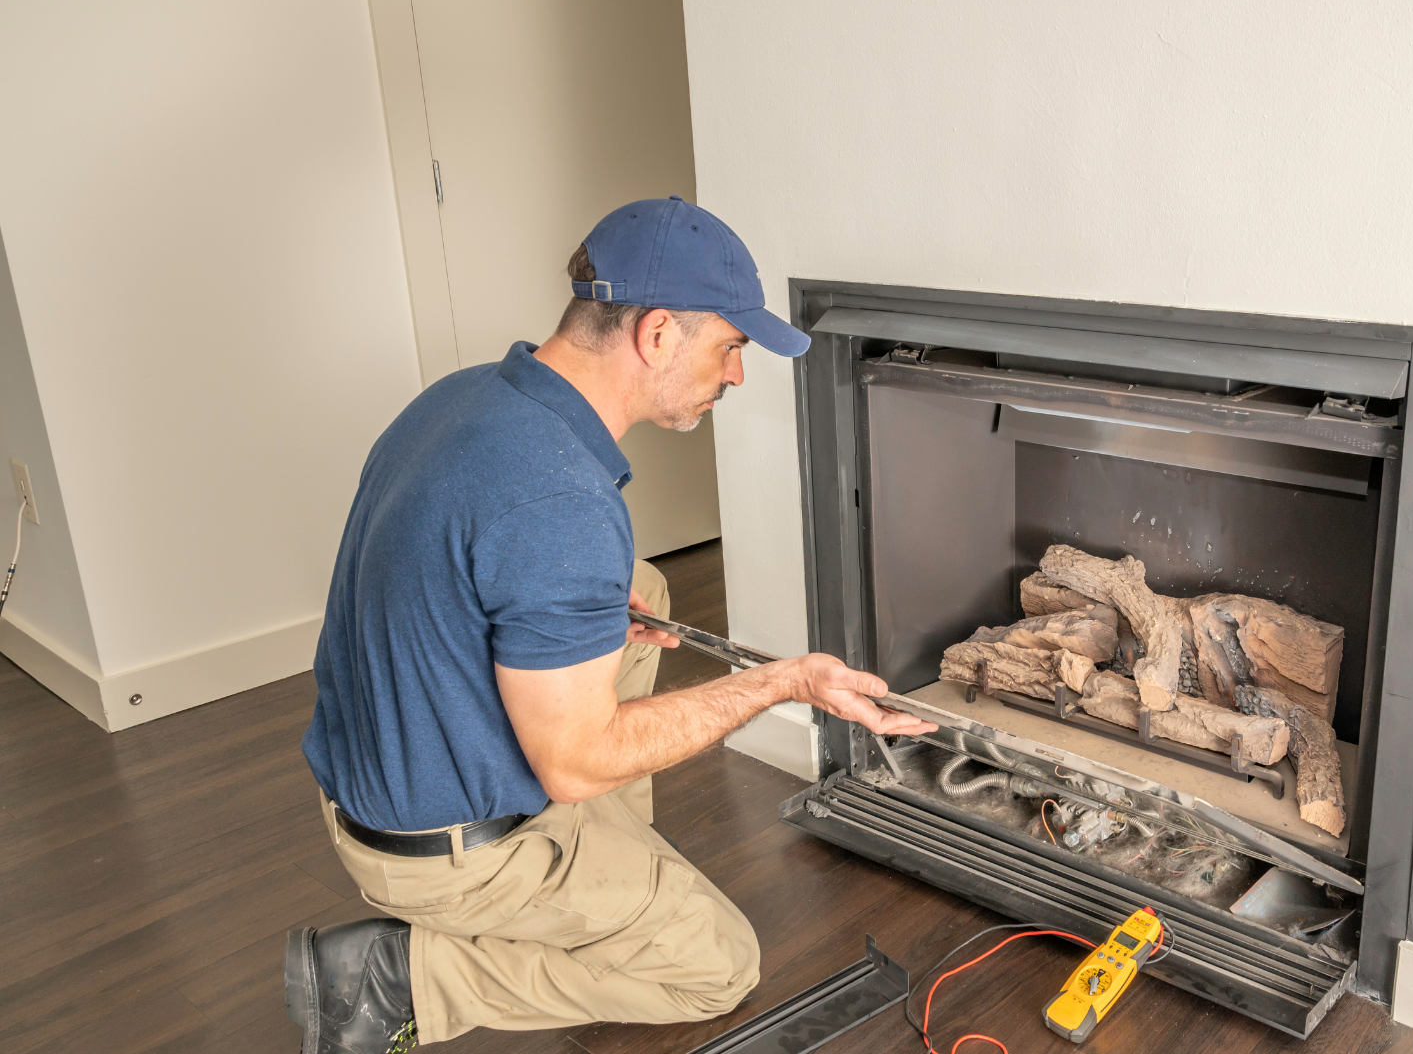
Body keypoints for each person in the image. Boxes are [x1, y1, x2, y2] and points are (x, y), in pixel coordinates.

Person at [286, 196, 934, 1053]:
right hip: (446, 852)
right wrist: (781, 682)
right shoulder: (560, 501)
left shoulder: (467, 399)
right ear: (658, 335)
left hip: (370, 782)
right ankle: (401, 976)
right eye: (731, 347)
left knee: (642, 588)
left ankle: (611, 864)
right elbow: (576, 758)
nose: (736, 376)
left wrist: (570, 620)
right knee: (717, 966)